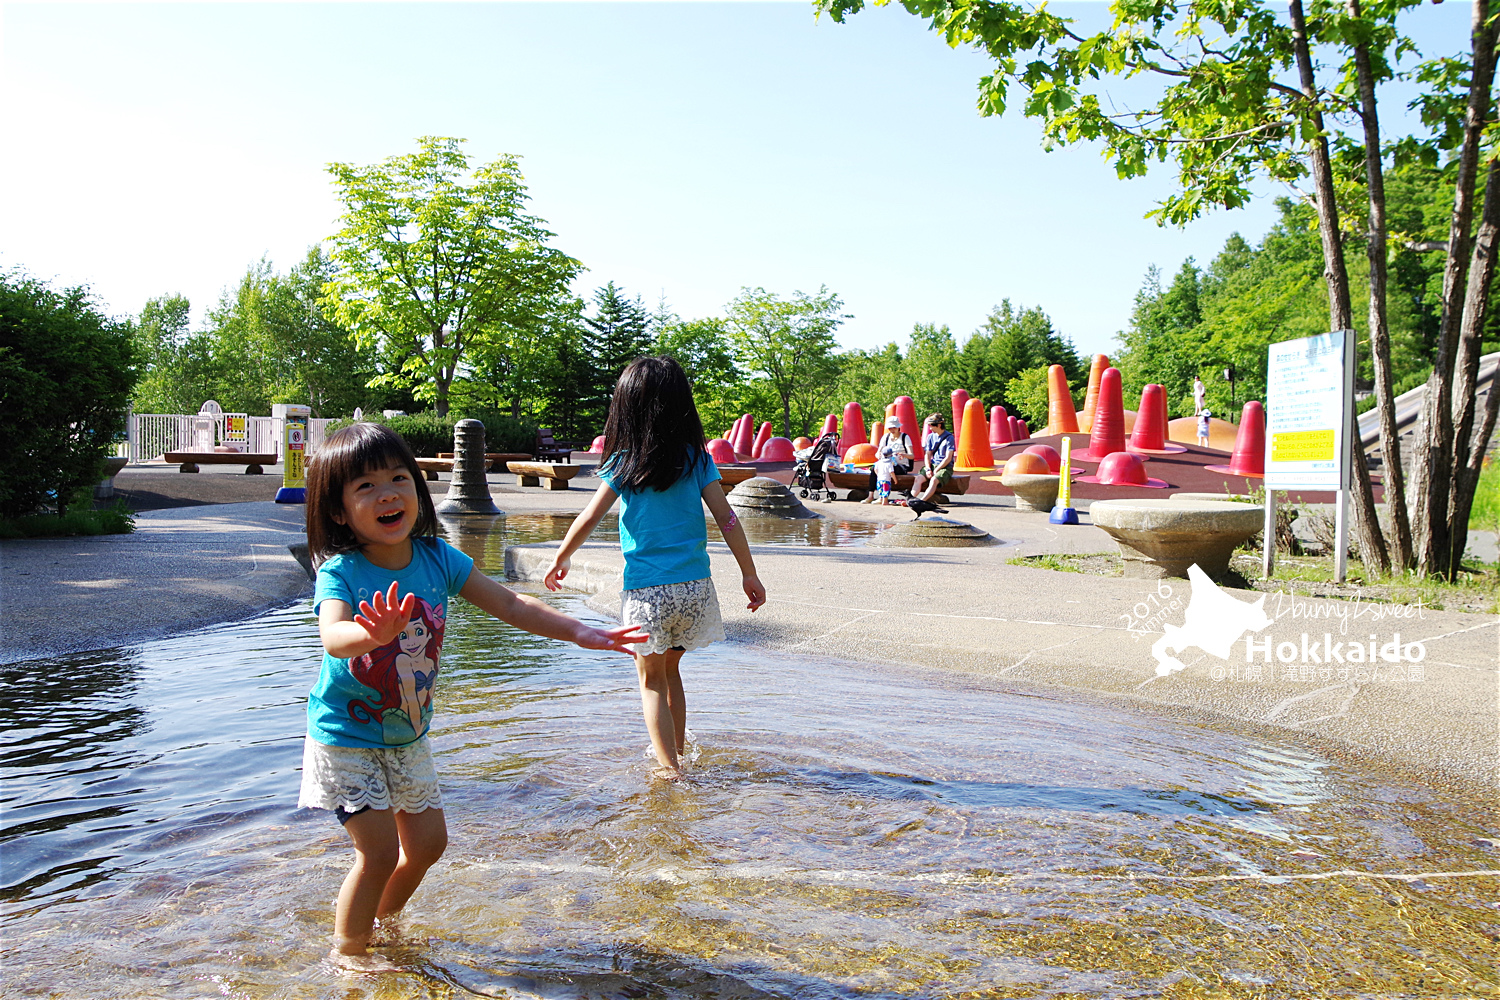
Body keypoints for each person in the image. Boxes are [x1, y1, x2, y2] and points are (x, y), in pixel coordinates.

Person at [301, 422, 646, 971]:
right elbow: (333, 637)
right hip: (345, 736)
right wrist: (374, 635)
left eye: (398, 478)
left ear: (417, 490)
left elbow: (513, 606)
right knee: (379, 850)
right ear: (339, 511)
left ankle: (383, 923)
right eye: (365, 486)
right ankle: (347, 951)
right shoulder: (342, 571)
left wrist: (581, 631)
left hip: (406, 735)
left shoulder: (437, 558)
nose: (388, 493)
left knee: (429, 845)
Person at [545, 356, 766, 780]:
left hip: (648, 593)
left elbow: (590, 516)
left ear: (626, 407)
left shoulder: (625, 462)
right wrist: (748, 572)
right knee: (671, 673)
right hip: (695, 590)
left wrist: (562, 556)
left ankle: (670, 773)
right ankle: (679, 755)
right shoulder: (696, 459)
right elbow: (728, 518)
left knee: (650, 682)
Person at [862, 415, 913, 504]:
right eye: (890, 428)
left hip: (900, 465)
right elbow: (878, 452)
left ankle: (883, 497)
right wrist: (879, 455)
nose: (892, 430)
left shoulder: (905, 437)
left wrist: (904, 455)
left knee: (886, 470)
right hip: (886, 463)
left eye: (894, 428)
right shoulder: (885, 437)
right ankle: (870, 495)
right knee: (875, 469)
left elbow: (912, 455)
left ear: (898, 427)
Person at [916, 414, 956, 502]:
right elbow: (927, 454)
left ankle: (921, 501)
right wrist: (928, 468)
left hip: (945, 467)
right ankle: (911, 499)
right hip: (933, 464)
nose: (930, 428)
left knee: (934, 480)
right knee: (918, 478)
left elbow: (948, 458)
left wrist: (937, 469)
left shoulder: (949, 438)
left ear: (939, 425)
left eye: (932, 425)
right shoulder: (930, 437)